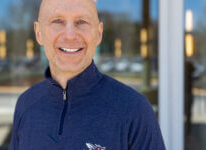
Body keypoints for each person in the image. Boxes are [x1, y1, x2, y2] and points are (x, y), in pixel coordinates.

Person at [9, 0, 165, 149]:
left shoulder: (133, 109)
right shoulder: (26, 104)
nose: (70, 35)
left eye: (82, 22)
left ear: (98, 33)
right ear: (38, 33)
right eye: (57, 21)